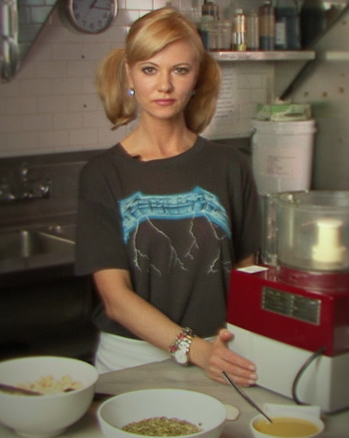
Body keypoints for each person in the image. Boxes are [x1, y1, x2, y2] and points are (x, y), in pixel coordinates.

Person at [74, 7, 261, 387]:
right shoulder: (102, 175)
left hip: (222, 355)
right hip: (131, 362)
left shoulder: (230, 166)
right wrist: (194, 348)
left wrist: (233, 346)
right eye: (149, 69)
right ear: (129, 73)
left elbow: (246, 272)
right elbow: (116, 299)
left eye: (180, 70)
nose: (165, 86)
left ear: (197, 77)